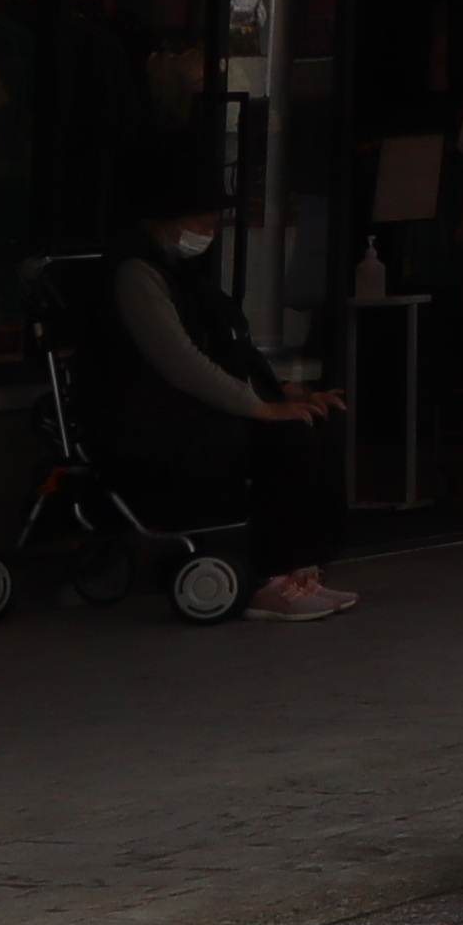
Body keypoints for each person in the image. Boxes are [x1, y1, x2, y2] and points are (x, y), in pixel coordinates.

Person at [97, 198, 358, 620]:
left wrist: (286, 393)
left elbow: (234, 350)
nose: (210, 233)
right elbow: (182, 362)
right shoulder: (137, 273)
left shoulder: (190, 278)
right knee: (286, 438)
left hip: (203, 408)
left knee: (321, 420)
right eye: (203, 222)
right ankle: (268, 577)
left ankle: (304, 567)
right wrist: (259, 408)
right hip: (156, 421)